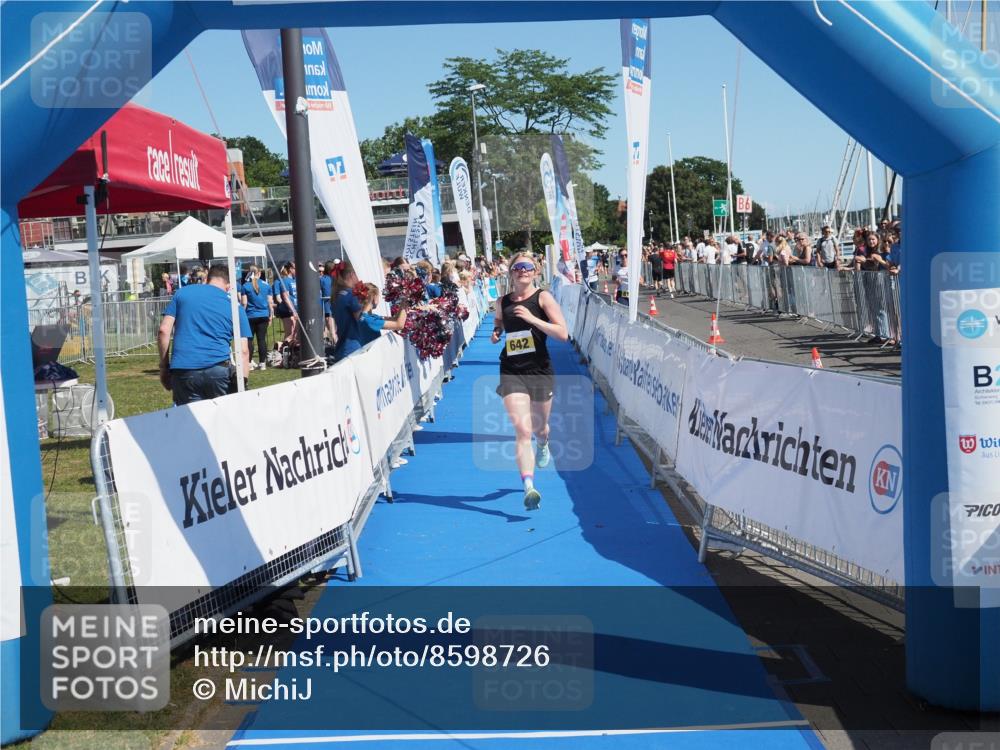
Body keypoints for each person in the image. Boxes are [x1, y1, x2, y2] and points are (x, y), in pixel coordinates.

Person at [491, 253, 568, 511]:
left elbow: (563, 334)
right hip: (511, 369)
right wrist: (496, 331)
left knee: (539, 427)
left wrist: (533, 319)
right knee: (523, 431)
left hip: (539, 370)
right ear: (511, 273)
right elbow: (500, 321)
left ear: (535, 272)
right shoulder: (502, 301)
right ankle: (529, 487)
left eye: (528, 267)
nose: (522, 271)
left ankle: (544, 442)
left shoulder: (543, 297)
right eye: (517, 267)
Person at [157, 264, 251, 406]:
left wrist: (164, 367)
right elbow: (243, 351)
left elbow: (164, 330)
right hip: (218, 369)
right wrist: (242, 382)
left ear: (207, 278)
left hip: (184, 370)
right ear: (229, 286)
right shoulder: (235, 306)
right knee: (222, 420)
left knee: (189, 422)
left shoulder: (183, 293)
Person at [240, 264, 273, 370]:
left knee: (250, 339)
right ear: (259, 273)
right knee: (261, 339)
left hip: (250, 315)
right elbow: (270, 302)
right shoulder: (266, 285)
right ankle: (262, 363)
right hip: (263, 315)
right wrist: (271, 315)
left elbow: (244, 302)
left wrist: (241, 315)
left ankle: (249, 363)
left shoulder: (245, 286)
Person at [330, 259, 364, 360]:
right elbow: (362, 319)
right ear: (351, 274)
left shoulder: (338, 294)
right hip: (353, 348)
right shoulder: (351, 295)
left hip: (343, 348)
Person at [355, 282, 408, 347]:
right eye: (378, 297)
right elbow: (399, 325)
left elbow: (395, 319)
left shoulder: (365, 316)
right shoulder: (369, 320)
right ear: (374, 298)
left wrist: (403, 302)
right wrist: (407, 302)